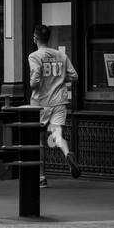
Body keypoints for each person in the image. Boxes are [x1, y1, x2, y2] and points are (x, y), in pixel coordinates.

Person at [28, 24, 80, 185]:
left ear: (35, 38)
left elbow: (35, 82)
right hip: (59, 102)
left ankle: (41, 177)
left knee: (39, 141)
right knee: (57, 135)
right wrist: (59, 80)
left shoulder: (34, 56)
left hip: (41, 103)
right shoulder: (60, 55)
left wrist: (34, 83)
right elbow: (74, 76)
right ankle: (67, 153)